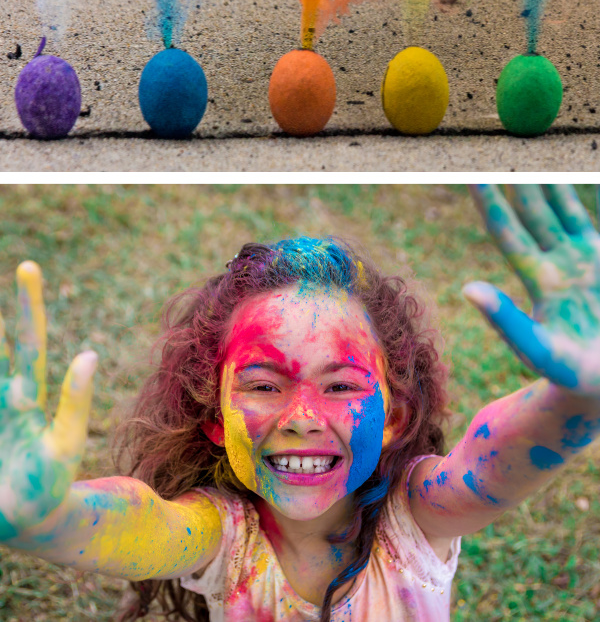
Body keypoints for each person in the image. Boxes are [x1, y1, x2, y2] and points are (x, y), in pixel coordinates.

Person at [0, 184, 599, 622]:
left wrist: (573, 399)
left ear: (394, 416)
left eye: (341, 386)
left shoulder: (416, 520)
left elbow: (487, 466)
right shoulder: (221, 536)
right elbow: (141, 524)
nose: (302, 418)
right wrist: (50, 518)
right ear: (215, 416)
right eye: (263, 385)